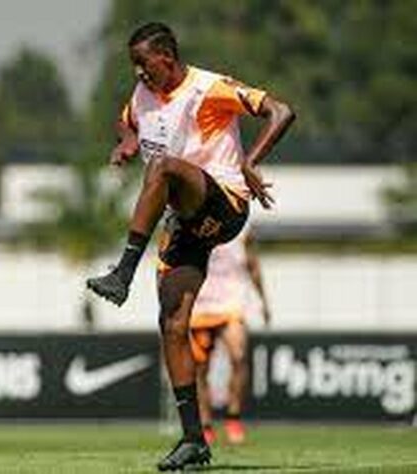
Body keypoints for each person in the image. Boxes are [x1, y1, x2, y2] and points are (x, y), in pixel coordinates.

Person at [85, 22, 294, 471]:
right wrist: (125, 143)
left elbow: (281, 111)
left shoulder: (208, 89)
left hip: (226, 204)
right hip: (186, 223)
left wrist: (251, 162)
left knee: (161, 169)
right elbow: (129, 123)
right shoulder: (142, 97)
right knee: (173, 324)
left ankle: (122, 272)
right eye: (134, 66)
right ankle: (194, 440)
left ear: (167, 57)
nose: (138, 73)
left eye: (143, 64)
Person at [188, 224, 271, 446]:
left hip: (231, 302)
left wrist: (263, 301)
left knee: (239, 355)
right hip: (200, 304)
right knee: (199, 369)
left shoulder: (242, 227)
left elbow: (252, 264)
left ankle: (233, 416)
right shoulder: (192, 218)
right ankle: (205, 425)